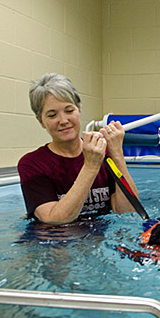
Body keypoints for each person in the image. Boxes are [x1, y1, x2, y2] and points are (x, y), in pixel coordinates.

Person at [17, 73, 140, 225]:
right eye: (52, 115)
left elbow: (129, 212)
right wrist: (90, 166)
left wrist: (117, 155)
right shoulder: (32, 164)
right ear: (41, 121)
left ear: (79, 110)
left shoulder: (103, 152)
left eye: (69, 111)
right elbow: (55, 220)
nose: (63, 121)